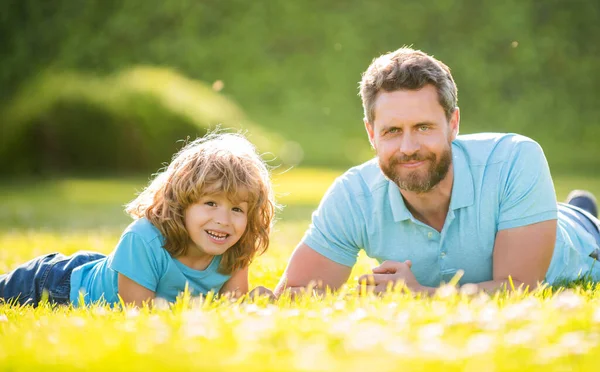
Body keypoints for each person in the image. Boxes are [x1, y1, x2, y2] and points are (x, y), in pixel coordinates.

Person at [275, 47, 600, 296]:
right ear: (371, 133)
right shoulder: (353, 195)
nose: (408, 147)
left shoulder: (515, 158)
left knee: (577, 220)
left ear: (453, 123)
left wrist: (422, 296)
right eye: (391, 131)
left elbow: (519, 290)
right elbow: (298, 294)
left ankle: (581, 210)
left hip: (585, 239)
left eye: (423, 127)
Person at [0, 132, 276, 307]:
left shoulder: (235, 248)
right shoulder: (144, 238)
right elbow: (139, 312)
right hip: (54, 284)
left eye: (237, 209)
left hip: (110, 270)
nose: (224, 220)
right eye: (211, 203)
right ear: (182, 203)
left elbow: (231, 306)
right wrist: (197, 308)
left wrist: (252, 304)